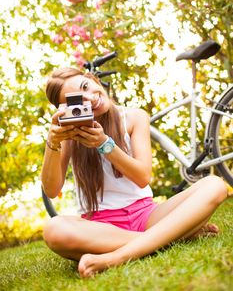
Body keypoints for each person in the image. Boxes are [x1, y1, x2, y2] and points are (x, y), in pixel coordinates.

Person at [41, 67, 228, 278]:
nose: (89, 99)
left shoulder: (134, 117)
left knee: (215, 185)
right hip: (102, 228)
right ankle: (174, 234)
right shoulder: (68, 135)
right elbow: (51, 189)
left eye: (86, 86)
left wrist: (104, 144)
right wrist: (53, 142)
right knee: (54, 229)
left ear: (92, 79)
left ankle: (116, 257)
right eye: (77, 99)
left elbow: (142, 177)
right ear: (65, 108)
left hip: (146, 215)